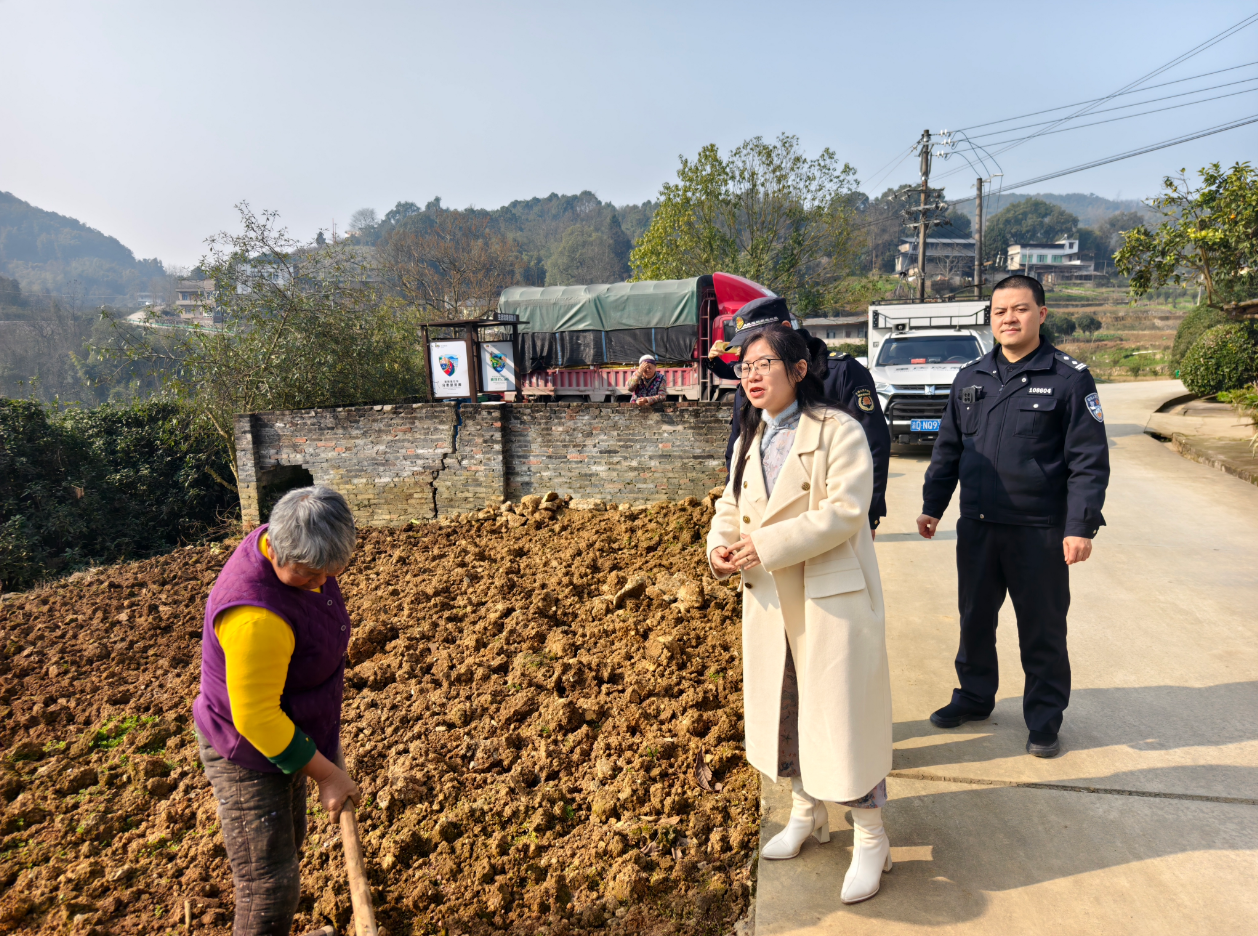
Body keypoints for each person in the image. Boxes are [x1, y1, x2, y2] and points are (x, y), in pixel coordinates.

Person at [707, 327, 894, 904]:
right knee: (783, 710)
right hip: (769, 597)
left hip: (827, 599)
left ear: (799, 369)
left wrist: (766, 545)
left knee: (843, 717)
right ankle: (804, 812)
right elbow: (731, 503)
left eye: (764, 364)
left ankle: (871, 837)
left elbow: (846, 511)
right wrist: (719, 547)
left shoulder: (839, 430)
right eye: (745, 367)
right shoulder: (751, 435)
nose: (752, 376)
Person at [917, 274, 1110, 758]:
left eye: (1020, 309)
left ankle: (1044, 719)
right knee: (974, 619)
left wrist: (1080, 526)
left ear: (1041, 314)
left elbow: (1088, 460)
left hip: (1038, 530)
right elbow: (948, 448)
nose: (1009, 319)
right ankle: (974, 696)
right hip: (978, 526)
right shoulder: (971, 377)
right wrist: (932, 505)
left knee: (1042, 629)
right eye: (999, 311)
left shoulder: (1069, 378)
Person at [193, 486, 361, 935]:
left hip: (290, 729)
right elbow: (257, 718)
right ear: (280, 549)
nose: (320, 583)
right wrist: (328, 775)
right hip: (249, 747)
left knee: (289, 843)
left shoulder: (293, 539)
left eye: (328, 573)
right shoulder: (256, 618)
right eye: (308, 574)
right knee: (268, 884)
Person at [710, 297, 890, 531]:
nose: (753, 372)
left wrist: (869, 514)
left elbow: (873, 443)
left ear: (786, 330)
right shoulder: (750, 387)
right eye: (746, 357)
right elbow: (738, 452)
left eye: (763, 361)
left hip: (824, 526)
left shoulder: (840, 372)